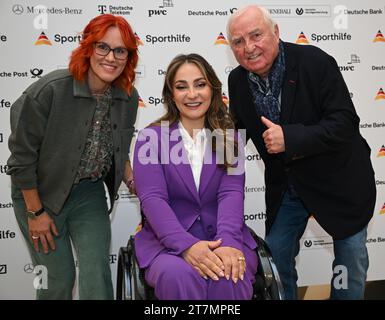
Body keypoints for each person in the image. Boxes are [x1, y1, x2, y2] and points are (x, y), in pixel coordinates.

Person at [226, 5, 376, 300]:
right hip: (289, 186)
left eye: (256, 35)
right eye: (238, 42)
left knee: (350, 264)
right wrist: (209, 162)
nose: (249, 48)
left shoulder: (314, 61)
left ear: (276, 32)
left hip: (339, 181)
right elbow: (235, 133)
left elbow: (345, 123)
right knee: (275, 258)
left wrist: (290, 138)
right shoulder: (237, 80)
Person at [7, 14, 139, 300]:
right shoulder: (50, 90)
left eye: (120, 50)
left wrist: (133, 180)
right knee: (58, 279)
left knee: (96, 273)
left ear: (128, 56)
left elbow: (119, 149)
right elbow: (21, 158)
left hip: (87, 193)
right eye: (103, 47)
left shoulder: (128, 97)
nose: (111, 57)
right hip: (40, 193)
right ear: (88, 47)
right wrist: (35, 213)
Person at [132, 53, 258, 300]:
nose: (192, 94)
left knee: (230, 273)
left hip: (223, 236)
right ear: (171, 95)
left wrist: (229, 243)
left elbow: (231, 193)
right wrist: (186, 245)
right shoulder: (151, 139)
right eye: (182, 87)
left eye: (200, 84)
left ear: (212, 88)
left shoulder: (227, 137)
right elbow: (153, 199)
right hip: (167, 244)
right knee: (178, 275)